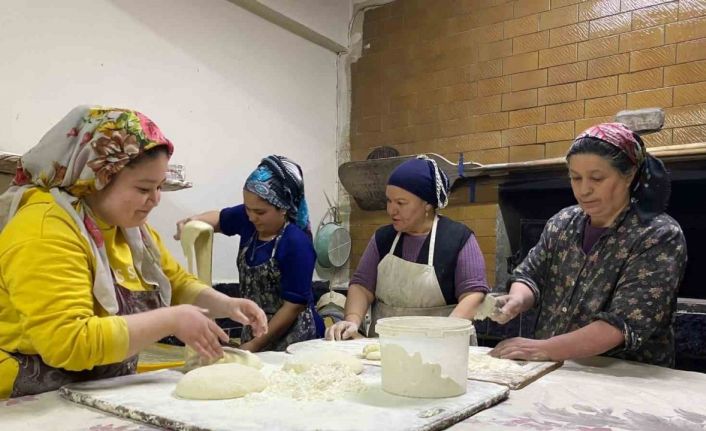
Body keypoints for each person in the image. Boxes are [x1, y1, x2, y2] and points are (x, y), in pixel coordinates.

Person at [0, 106, 267, 399]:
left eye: (159, 186)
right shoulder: (45, 230)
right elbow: (69, 342)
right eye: (143, 189)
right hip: (26, 403)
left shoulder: (131, 231)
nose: (155, 200)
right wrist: (171, 320)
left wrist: (226, 304)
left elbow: (175, 284)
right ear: (97, 178)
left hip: (91, 393)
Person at [490, 123, 687, 367]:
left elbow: (621, 324)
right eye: (575, 178)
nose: (584, 190)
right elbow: (530, 275)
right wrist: (518, 299)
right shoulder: (563, 222)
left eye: (597, 178)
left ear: (629, 175)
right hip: (556, 368)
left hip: (625, 376)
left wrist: (543, 348)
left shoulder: (658, 234)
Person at [326, 155, 490, 340]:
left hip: (443, 345)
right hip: (386, 346)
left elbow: (473, 295)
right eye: (389, 201)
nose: (391, 210)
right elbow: (362, 286)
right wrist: (352, 320)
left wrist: (442, 334)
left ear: (427, 204)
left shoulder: (459, 238)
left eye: (400, 203)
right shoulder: (382, 239)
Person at [175, 155, 323, 352]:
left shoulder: (296, 243)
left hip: (294, 338)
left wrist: (254, 345)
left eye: (260, 212)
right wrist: (192, 222)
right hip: (255, 329)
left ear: (283, 208)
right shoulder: (248, 220)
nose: (252, 217)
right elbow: (219, 219)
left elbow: (293, 306)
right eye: (248, 209)